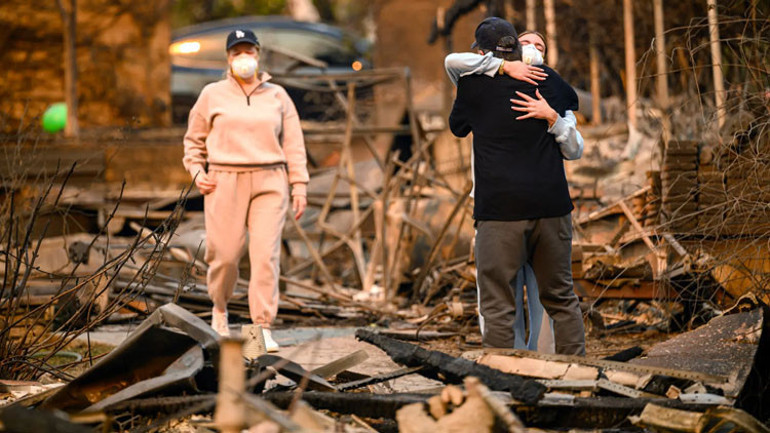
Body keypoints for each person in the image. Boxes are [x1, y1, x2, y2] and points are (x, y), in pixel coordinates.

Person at [449, 17, 585, 355]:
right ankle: (576, 373)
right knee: (561, 297)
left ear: (483, 52)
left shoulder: (472, 85)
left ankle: (501, 375)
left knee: (498, 304)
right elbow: (571, 101)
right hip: (551, 208)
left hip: (500, 212)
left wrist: (551, 117)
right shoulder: (551, 81)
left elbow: (457, 126)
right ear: (517, 47)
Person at [182, 29, 309, 352]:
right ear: (228, 58)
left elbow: (294, 143)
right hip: (224, 179)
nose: (243, 57)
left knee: (265, 256)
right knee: (224, 256)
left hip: (270, 178)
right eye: (236, 52)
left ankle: (259, 331)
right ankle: (219, 310)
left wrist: (299, 185)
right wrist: (197, 171)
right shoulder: (212, 94)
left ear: (258, 54)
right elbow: (193, 141)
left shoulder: (278, 96)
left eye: (248, 51)